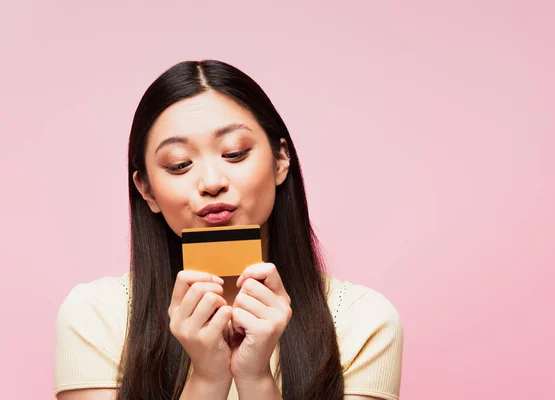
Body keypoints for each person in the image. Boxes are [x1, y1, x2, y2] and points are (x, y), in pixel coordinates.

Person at [54, 60, 403, 400]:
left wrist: (255, 378)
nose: (211, 182)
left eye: (234, 153)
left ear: (281, 159)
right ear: (146, 190)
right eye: (179, 164)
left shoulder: (362, 321)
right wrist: (208, 378)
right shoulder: (95, 315)